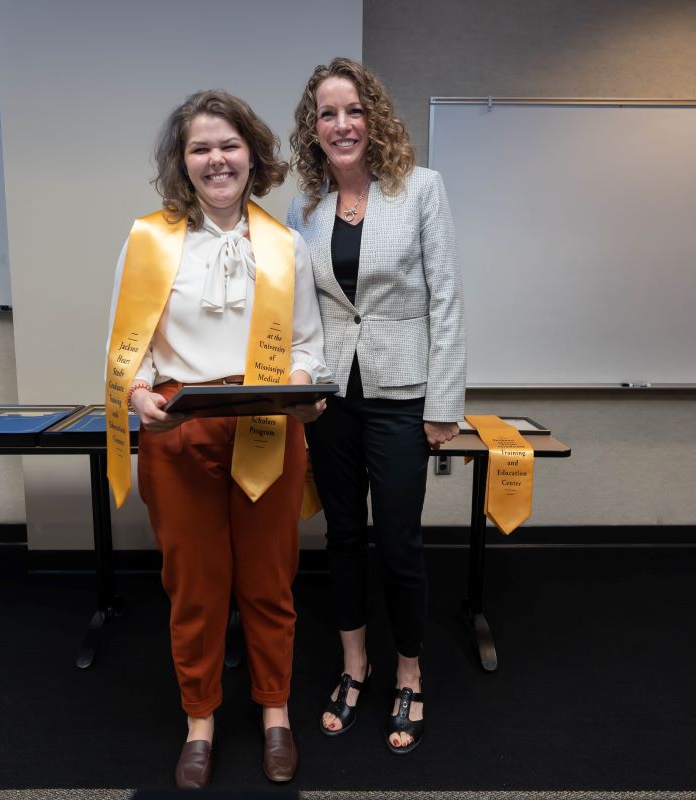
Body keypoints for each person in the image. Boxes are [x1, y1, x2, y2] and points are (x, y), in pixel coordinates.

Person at [105, 90, 328, 789]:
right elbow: (127, 352)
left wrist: (302, 391)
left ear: (252, 154)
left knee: (268, 584)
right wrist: (139, 398)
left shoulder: (284, 244)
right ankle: (199, 720)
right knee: (194, 590)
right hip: (180, 432)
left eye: (228, 145)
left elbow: (310, 347)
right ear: (183, 162)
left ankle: (275, 715)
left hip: (265, 425)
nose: (216, 159)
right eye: (200, 148)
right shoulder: (148, 239)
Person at [286, 58, 465, 755]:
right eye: (327, 114)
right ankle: (354, 667)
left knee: (399, 542)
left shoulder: (421, 190)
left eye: (352, 110)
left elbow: (446, 300)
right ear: (315, 129)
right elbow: (296, 309)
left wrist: (443, 401)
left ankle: (410, 671)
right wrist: (297, 389)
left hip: (402, 396)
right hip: (331, 398)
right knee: (343, 539)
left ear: (374, 118)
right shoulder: (303, 209)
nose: (341, 124)